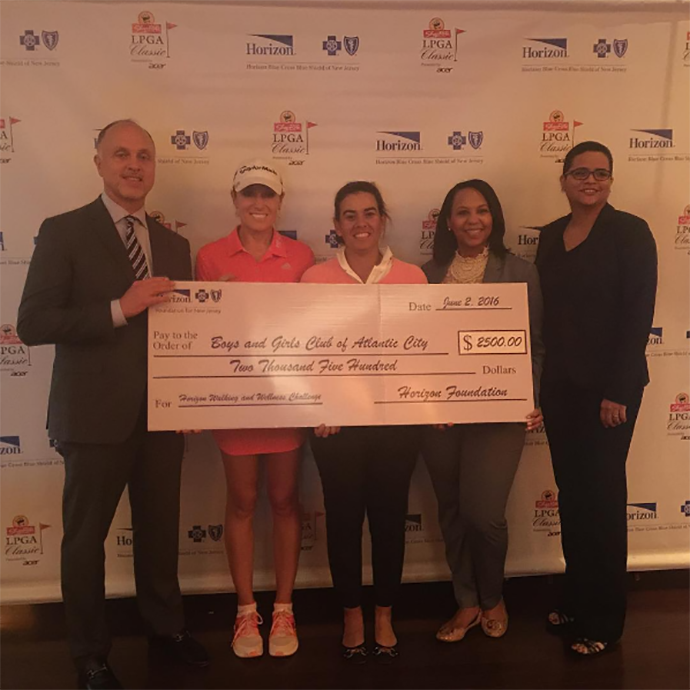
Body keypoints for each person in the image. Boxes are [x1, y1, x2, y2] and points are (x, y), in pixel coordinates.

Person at [17, 120, 208, 690]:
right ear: (98, 162)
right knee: (84, 541)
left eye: (144, 156)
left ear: (154, 168)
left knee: (159, 530)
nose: (134, 165)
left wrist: (189, 394)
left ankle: (166, 628)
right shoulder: (63, 231)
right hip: (92, 416)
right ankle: (89, 654)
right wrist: (119, 309)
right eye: (121, 154)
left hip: (161, 414)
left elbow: (183, 334)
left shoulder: (173, 244)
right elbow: (32, 323)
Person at [536, 141, 657, 657]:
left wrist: (617, 392)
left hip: (610, 393)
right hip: (560, 389)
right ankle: (577, 599)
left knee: (603, 501)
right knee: (572, 497)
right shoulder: (548, 236)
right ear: (563, 180)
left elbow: (638, 314)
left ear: (611, 180)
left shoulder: (630, 232)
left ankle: (604, 621)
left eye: (600, 173)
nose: (591, 180)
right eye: (580, 172)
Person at [301, 181, 427, 664]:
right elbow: (303, 355)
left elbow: (425, 355)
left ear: (383, 220)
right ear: (336, 225)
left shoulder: (413, 278)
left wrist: (433, 405)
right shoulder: (314, 279)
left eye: (369, 213)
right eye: (349, 215)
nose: (360, 223)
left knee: (390, 521)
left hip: (396, 426)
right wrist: (318, 407)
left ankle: (384, 614)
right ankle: (352, 613)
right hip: (335, 428)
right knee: (344, 521)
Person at [195, 160, 314, 658]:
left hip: (286, 399)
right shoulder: (209, 256)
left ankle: (284, 606)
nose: (258, 204)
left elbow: (313, 330)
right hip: (235, 401)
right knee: (242, 502)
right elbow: (197, 332)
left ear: (280, 203)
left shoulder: (302, 256)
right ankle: (246, 610)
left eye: (267, 195)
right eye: (249, 195)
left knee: (285, 501)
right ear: (235, 200)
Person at [421, 179, 544, 643]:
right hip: (440, 418)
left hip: (500, 415)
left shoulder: (520, 272)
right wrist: (425, 401)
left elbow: (535, 346)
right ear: (447, 223)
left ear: (494, 217)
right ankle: (467, 602)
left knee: (484, 514)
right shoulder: (425, 275)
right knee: (452, 511)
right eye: (462, 212)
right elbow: (416, 350)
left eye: (482, 210)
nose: (473, 220)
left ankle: (493, 597)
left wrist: (530, 397)